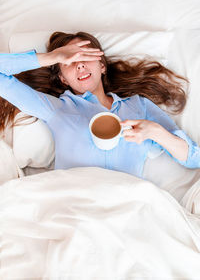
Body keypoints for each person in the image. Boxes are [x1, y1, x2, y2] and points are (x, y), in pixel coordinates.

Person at [0, 31, 199, 178]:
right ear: (63, 79)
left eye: (86, 56)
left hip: (126, 205)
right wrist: (52, 57)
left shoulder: (139, 106)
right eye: (70, 61)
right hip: (74, 205)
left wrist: (156, 132)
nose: (79, 64)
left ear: (102, 66)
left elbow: (194, 159)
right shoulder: (58, 109)